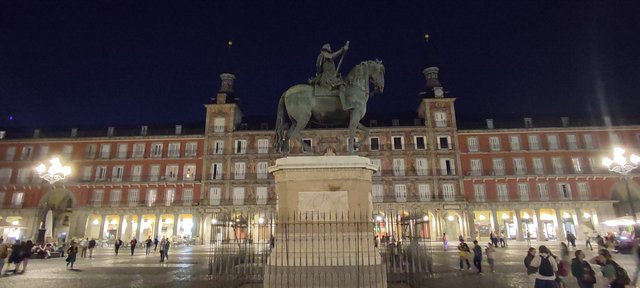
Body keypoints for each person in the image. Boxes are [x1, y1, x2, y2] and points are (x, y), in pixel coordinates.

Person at [313, 41, 351, 110]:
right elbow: (334, 55)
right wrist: (342, 49)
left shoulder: (327, 58)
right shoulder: (324, 55)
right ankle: (345, 105)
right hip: (327, 78)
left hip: (330, 77)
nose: (329, 52)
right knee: (342, 85)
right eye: (329, 51)